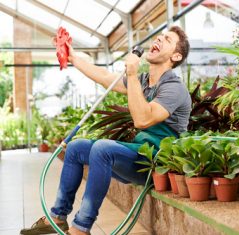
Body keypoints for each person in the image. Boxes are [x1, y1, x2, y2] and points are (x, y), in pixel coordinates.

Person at [20, 25, 192, 235]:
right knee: (76, 147)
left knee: (102, 149)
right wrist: (72, 57)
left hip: (156, 164)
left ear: (176, 55)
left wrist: (131, 73)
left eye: (167, 39)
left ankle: (81, 228)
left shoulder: (174, 87)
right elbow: (104, 76)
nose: (159, 38)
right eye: (160, 35)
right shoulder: (144, 82)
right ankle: (58, 215)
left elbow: (143, 119)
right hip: (138, 152)